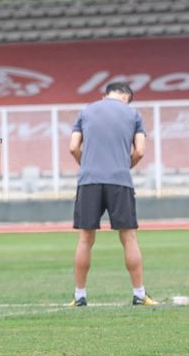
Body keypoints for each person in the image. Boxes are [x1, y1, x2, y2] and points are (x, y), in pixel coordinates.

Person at [68, 82, 160, 307]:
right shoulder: (134, 114)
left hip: (89, 180)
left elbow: (73, 147)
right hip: (120, 180)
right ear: (127, 97)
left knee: (85, 239)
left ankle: (80, 296)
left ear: (106, 94)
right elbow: (140, 151)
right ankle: (139, 294)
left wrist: (86, 164)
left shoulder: (86, 111)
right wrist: (123, 165)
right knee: (128, 237)